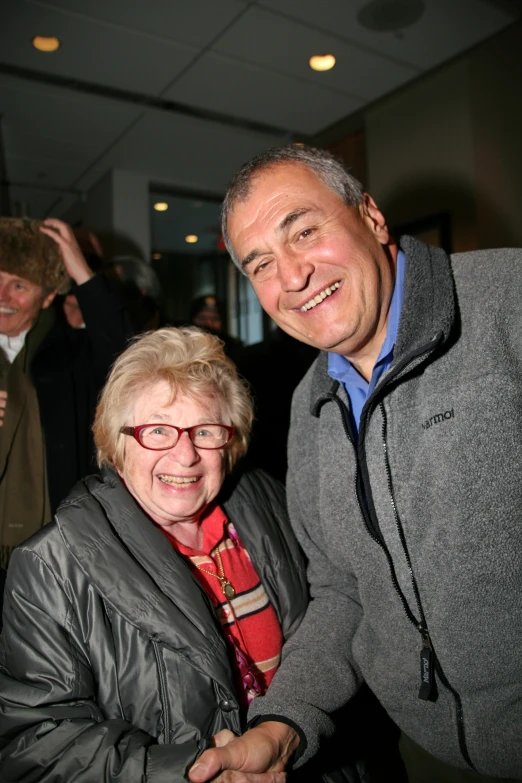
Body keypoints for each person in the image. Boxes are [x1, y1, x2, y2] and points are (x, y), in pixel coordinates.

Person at [187, 145, 522, 783]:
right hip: (428, 755)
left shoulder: (510, 304)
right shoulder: (309, 406)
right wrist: (284, 724)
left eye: (305, 231)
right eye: (261, 264)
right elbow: (343, 593)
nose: (291, 277)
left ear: (370, 217)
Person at [0, 327, 311, 782]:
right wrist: (192, 773)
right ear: (117, 443)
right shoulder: (50, 566)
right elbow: (33, 744)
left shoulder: (271, 504)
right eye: (158, 431)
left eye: (205, 430)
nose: (184, 456)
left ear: (232, 442)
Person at [0, 217, 130, 567]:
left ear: (47, 297)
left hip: (60, 547)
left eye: (19, 286)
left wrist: (80, 268)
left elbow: (124, 354)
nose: (3, 297)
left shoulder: (72, 354)